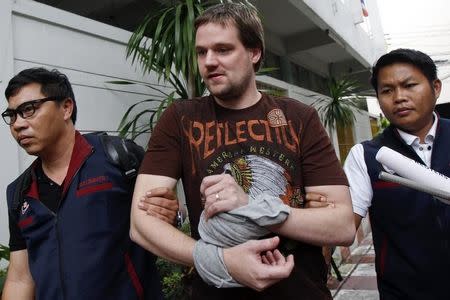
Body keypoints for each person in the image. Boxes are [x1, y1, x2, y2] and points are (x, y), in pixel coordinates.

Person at [130, 2, 355, 299]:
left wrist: (251, 205)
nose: (209, 61)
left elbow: (342, 226)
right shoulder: (180, 119)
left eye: (223, 50)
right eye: (201, 51)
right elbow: (140, 225)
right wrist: (221, 261)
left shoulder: (299, 118)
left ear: (254, 52)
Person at [1, 67, 179, 300]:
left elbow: (168, 219)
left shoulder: (118, 158)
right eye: (12, 115)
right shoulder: (19, 192)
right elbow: (20, 278)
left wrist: (173, 215)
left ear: (66, 108)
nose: (17, 124)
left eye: (29, 110)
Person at [310, 48, 450, 299]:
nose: (399, 97)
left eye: (410, 85)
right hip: (404, 292)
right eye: (387, 90)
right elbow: (342, 226)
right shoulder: (365, 156)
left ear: (436, 88)